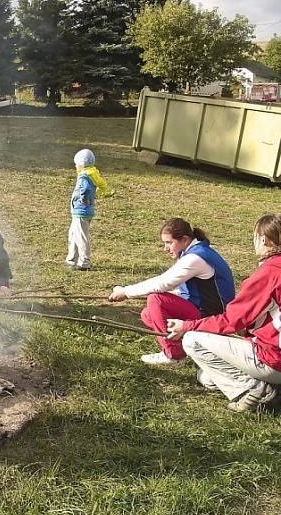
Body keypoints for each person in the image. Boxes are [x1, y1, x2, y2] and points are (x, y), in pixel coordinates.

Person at [166, 214, 281, 413]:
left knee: (192, 340)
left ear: (263, 239)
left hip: (273, 359)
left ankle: (255, 389)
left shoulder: (270, 273)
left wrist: (187, 326)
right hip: (272, 352)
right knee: (207, 377)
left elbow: (232, 320)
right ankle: (270, 387)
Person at [109, 217, 235, 365]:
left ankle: (174, 354)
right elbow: (192, 291)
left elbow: (163, 283)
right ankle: (191, 341)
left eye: (169, 243)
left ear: (185, 239)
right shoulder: (195, 252)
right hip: (204, 308)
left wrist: (125, 292)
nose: (165, 248)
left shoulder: (195, 258)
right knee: (148, 315)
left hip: (212, 315)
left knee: (156, 299)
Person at [65, 148, 112, 271]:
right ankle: (71, 259)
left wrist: (84, 198)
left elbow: (85, 189)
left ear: (81, 164)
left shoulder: (84, 176)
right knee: (73, 234)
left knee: (81, 237)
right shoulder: (91, 173)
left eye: (76, 163)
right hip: (80, 211)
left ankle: (84, 262)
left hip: (81, 211)